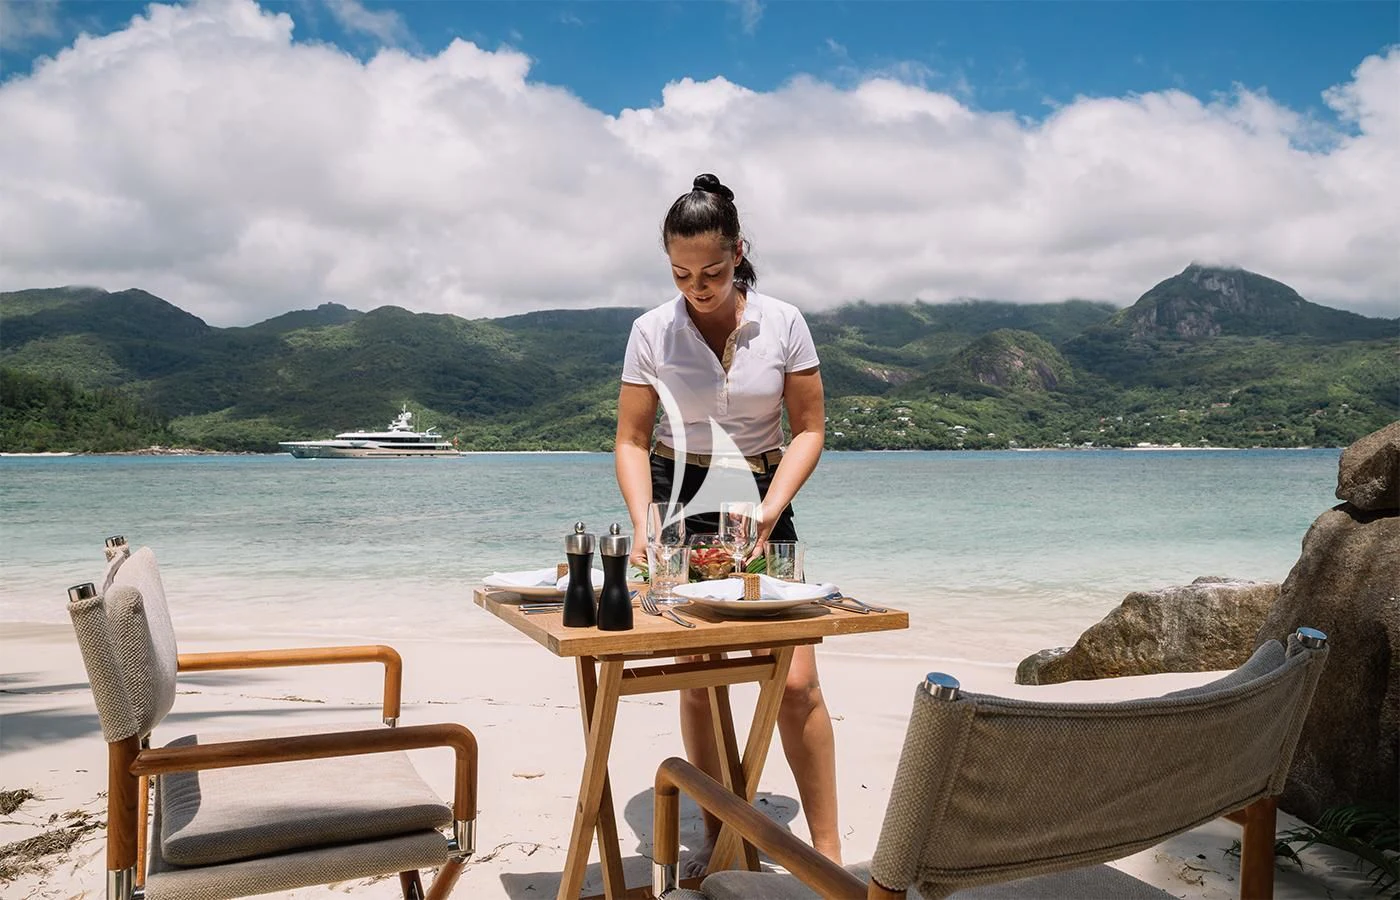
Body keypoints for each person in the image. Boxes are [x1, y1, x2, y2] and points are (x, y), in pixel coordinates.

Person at [613, 173, 838, 874]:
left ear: (738, 253)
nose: (698, 287)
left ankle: (828, 854)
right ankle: (720, 839)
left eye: (711, 272)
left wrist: (771, 509)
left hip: (763, 492)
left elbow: (809, 429)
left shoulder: (785, 323)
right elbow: (631, 439)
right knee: (700, 675)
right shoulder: (651, 331)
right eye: (681, 274)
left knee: (796, 680)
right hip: (679, 494)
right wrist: (644, 526)